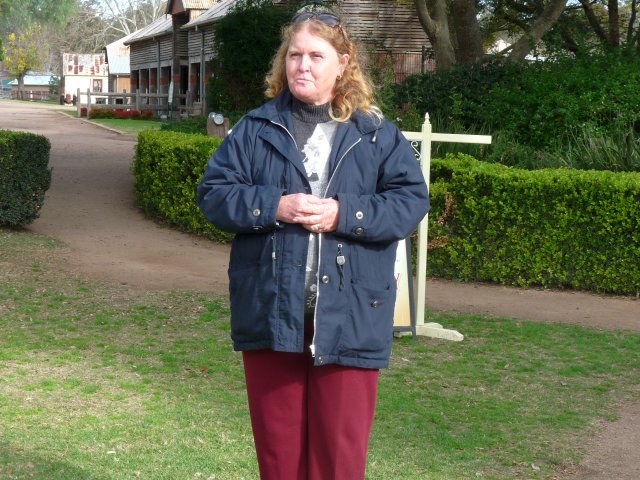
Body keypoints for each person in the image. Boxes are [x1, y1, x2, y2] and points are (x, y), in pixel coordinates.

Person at [197, 9, 429, 480]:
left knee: (339, 462)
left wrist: (346, 213)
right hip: (271, 311)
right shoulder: (254, 129)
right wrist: (274, 206)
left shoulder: (377, 135)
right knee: (279, 460)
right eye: (295, 55)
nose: (303, 65)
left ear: (343, 63)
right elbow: (214, 195)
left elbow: (410, 201)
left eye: (316, 56)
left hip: (351, 317)